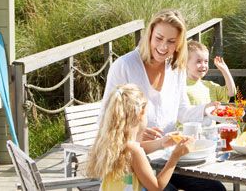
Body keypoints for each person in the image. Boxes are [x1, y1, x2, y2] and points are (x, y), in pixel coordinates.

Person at [102, 10, 225, 191]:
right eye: (159, 38)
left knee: (214, 189)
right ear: (150, 34)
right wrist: (135, 132)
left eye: (171, 41)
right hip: (132, 164)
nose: (163, 47)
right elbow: (106, 120)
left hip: (167, 156)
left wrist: (205, 109)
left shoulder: (176, 68)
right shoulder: (124, 66)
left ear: (179, 44)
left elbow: (182, 111)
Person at [86, 84, 192, 191]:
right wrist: (175, 156)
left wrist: (160, 143)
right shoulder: (134, 151)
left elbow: (137, 149)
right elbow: (157, 187)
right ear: (141, 113)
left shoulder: (112, 143)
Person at [185, 40, 236, 105]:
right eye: (198, 61)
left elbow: (231, 92)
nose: (203, 65)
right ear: (185, 63)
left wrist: (225, 70)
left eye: (206, 61)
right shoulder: (181, 87)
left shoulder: (210, 86)